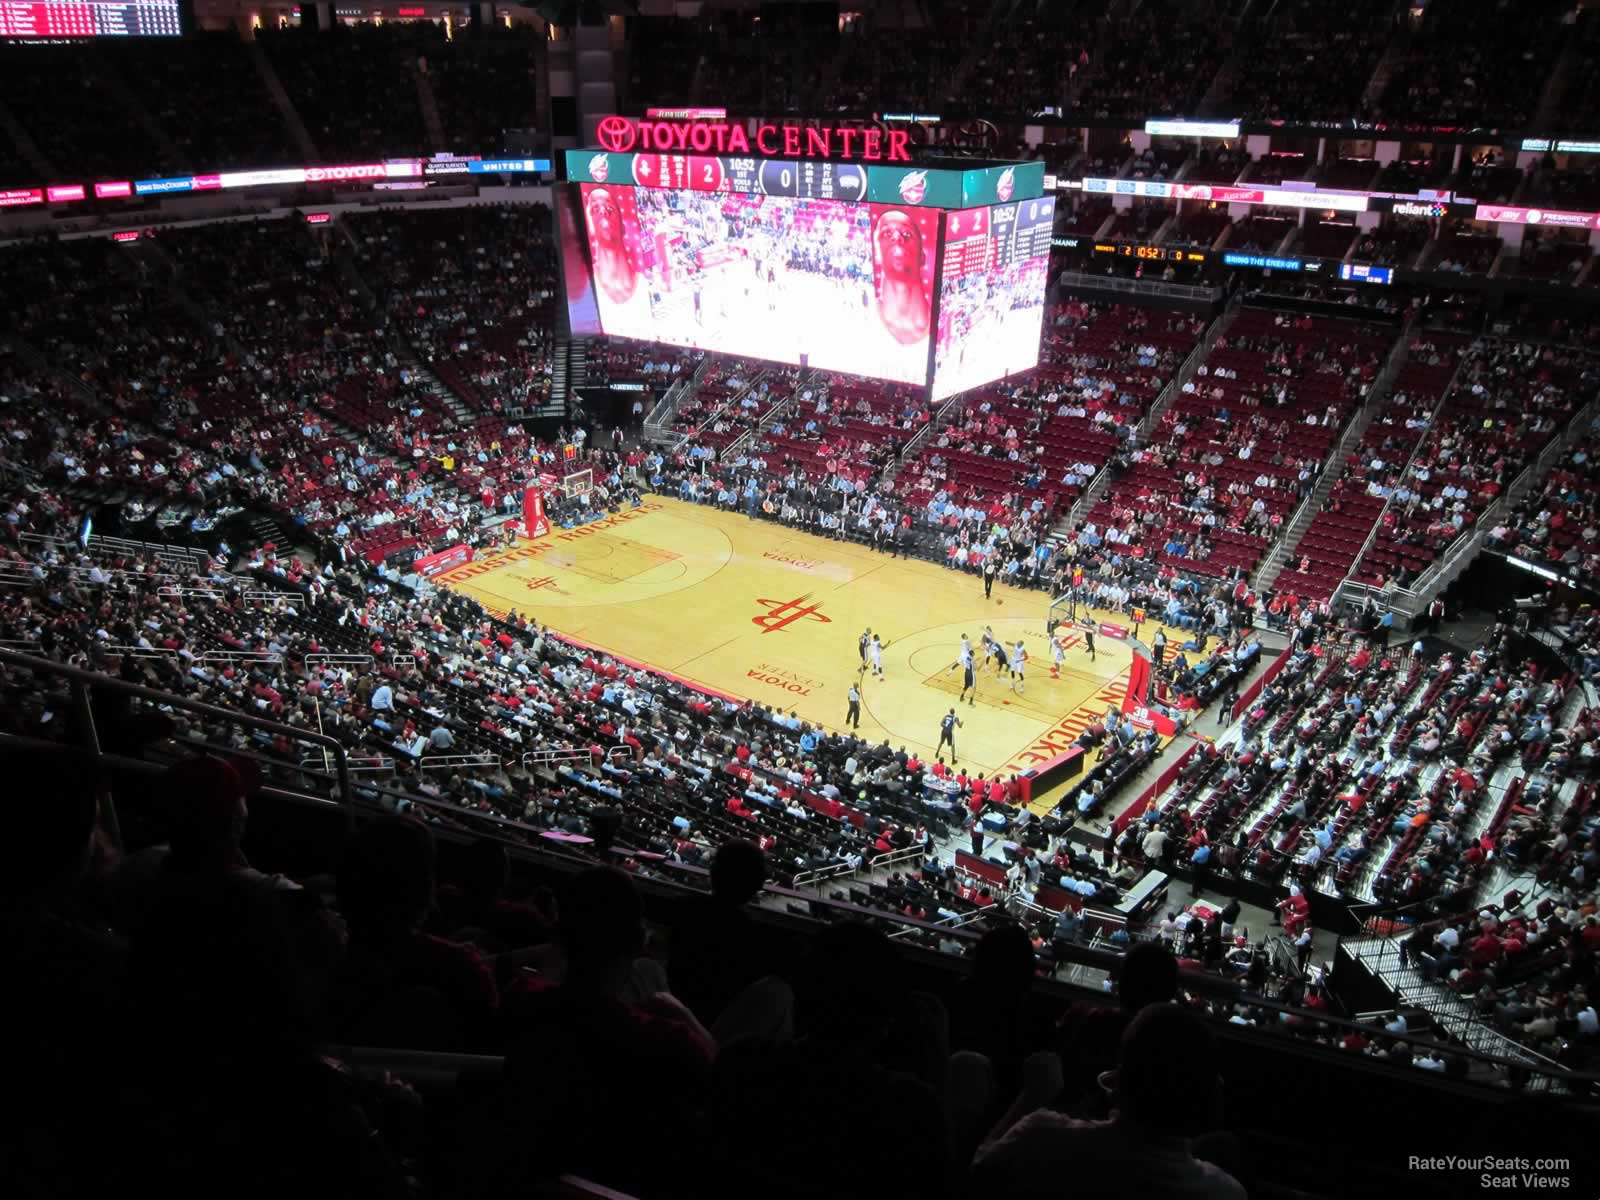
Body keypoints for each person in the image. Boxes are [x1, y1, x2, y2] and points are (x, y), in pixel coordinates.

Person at [974, 1003, 1245, 1199]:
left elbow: (979, 1172)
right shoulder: (1225, 1192)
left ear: (1117, 1081)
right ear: (1208, 1098)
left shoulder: (1041, 1135)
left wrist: (1031, 1095)